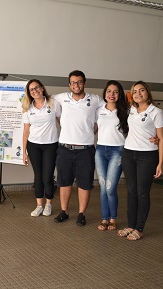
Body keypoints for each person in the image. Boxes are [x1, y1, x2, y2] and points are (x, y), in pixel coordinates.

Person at [53, 70, 105, 226]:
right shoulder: (60, 98)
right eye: (73, 82)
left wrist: (91, 131)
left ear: (85, 83)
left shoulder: (95, 100)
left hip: (86, 150)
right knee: (64, 182)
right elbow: (44, 104)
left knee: (84, 183)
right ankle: (64, 211)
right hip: (64, 148)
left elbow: (111, 109)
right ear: (69, 84)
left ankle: (82, 213)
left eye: (79, 82)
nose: (76, 85)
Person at [117, 81, 163, 241]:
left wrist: (160, 163)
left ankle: (139, 228)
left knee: (142, 192)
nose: (138, 94)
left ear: (148, 92)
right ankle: (131, 225)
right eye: (135, 91)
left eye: (142, 90)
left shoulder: (156, 112)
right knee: (131, 191)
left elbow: (162, 139)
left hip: (147, 156)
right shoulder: (131, 109)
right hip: (129, 154)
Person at [22, 79, 60, 217]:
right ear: (29, 93)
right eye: (32, 90)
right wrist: (24, 152)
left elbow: (62, 122)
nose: (35, 91)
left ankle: (48, 204)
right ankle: (39, 205)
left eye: (37, 88)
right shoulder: (28, 108)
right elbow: (26, 131)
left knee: (47, 176)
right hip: (33, 145)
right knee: (38, 176)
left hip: (51, 144)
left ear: (42, 88)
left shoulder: (53, 104)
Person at [95, 81, 129, 231]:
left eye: (115, 92)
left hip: (118, 151)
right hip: (101, 150)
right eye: (109, 91)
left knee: (110, 187)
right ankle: (104, 218)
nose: (112, 94)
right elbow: (93, 127)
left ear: (119, 94)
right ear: (105, 93)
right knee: (103, 186)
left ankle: (113, 218)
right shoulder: (99, 109)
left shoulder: (126, 111)